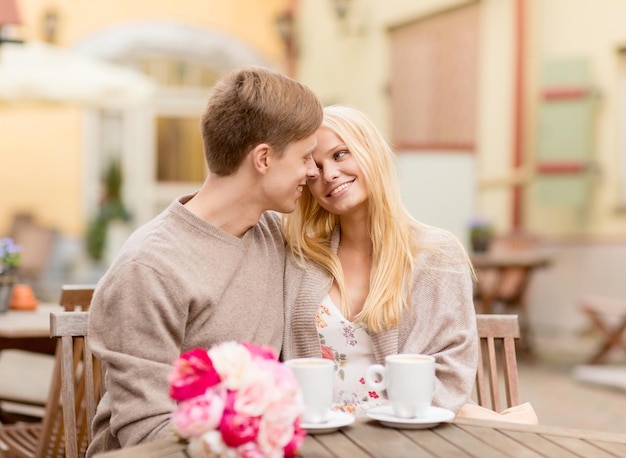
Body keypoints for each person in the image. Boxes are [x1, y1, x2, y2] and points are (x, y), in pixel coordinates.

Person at [86, 66, 323, 455]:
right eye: (305, 157)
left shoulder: (272, 234)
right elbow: (147, 432)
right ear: (263, 158)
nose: (313, 172)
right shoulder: (150, 268)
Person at [282, 105, 478, 417]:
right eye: (315, 168)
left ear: (369, 151)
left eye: (340, 154)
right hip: (317, 436)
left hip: (400, 436)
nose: (329, 175)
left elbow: (453, 375)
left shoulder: (437, 256)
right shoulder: (302, 261)